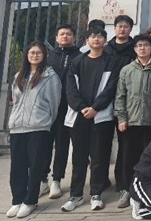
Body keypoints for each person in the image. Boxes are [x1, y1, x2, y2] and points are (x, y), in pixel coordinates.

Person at [62, 26, 120, 212]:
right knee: (79, 158)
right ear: (86, 40)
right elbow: (70, 89)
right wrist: (82, 108)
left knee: (99, 157)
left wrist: (95, 108)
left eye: (100, 36)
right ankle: (76, 195)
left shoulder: (111, 62)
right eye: (92, 36)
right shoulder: (77, 62)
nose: (96, 39)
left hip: (101, 117)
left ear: (105, 40)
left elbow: (110, 89)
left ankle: (96, 193)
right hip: (79, 117)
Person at [7, 42, 61, 219]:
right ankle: (17, 200)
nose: (35, 55)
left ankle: (30, 201)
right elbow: (15, 101)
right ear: (27, 55)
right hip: (17, 127)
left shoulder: (50, 77)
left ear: (44, 55)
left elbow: (54, 104)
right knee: (17, 166)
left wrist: (44, 121)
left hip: (38, 127)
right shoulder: (19, 76)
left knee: (35, 166)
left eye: (38, 53)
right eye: (32, 52)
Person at [114, 33, 151, 209]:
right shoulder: (127, 70)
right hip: (131, 122)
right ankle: (127, 189)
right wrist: (121, 118)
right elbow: (120, 96)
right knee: (128, 157)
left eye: (146, 45)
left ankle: (146, 190)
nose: (142, 48)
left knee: (149, 159)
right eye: (139, 46)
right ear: (135, 49)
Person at [42, 25, 81, 200]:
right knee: (44, 145)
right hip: (47, 108)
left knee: (62, 144)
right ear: (56, 38)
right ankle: (42, 179)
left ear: (74, 37)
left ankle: (57, 179)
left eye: (68, 34)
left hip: (68, 108)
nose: (65, 36)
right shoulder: (48, 57)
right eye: (62, 34)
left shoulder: (79, 56)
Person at [105, 15, 137, 202]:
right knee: (103, 143)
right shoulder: (107, 49)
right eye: (119, 26)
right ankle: (102, 180)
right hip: (105, 101)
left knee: (125, 145)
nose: (122, 29)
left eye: (126, 26)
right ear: (115, 28)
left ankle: (122, 181)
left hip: (127, 101)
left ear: (130, 29)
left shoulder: (134, 48)